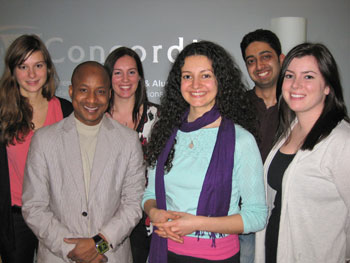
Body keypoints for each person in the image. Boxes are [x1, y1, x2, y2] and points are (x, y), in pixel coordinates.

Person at [143, 40, 267, 263]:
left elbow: (257, 217)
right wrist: (154, 213)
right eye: (187, 76)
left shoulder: (241, 140)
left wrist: (196, 223)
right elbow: (150, 194)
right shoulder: (164, 132)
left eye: (206, 75)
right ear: (178, 82)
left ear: (221, 80)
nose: (195, 84)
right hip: (164, 251)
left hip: (216, 256)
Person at [21, 61, 145, 263]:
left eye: (100, 91)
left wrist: (99, 245)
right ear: (71, 91)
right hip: (58, 256)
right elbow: (34, 206)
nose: (92, 99)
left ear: (109, 95)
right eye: (83, 90)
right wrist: (71, 249)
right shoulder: (44, 140)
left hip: (109, 256)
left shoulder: (128, 141)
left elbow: (132, 204)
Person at [255, 43, 350, 263]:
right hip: (273, 252)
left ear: (327, 86)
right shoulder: (289, 129)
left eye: (308, 77)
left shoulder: (341, 142)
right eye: (289, 76)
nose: (296, 85)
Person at [0, 34, 73, 263]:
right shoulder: (2, 113)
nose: (32, 75)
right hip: (15, 219)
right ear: (13, 71)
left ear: (48, 69)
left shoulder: (66, 110)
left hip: (57, 217)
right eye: (23, 66)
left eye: (38, 65)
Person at [104, 47, 159, 263]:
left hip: (147, 214)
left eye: (131, 72)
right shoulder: (96, 118)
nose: (125, 79)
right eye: (117, 72)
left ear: (140, 77)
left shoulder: (158, 117)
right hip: (106, 216)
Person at [238, 29, 284, 263]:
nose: (259, 65)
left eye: (266, 56)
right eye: (251, 60)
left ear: (281, 59)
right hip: (244, 218)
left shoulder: (297, 107)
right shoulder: (236, 108)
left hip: (286, 217)